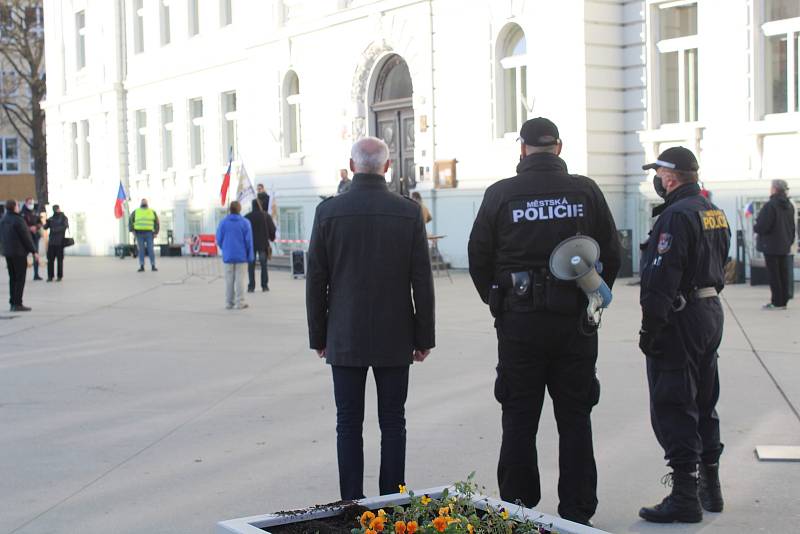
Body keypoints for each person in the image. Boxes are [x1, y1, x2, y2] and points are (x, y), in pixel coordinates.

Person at [467, 117, 621, 527]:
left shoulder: (501, 194)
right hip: (575, 325)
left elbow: (478, 258)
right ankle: (577, 515)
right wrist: (591, 295)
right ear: (559, 147)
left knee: (519, 418)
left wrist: (499, 304)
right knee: (575, 418)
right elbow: (613, 251)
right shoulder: (585, 191)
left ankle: (517, 513)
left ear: (522, 149)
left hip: (520, 327)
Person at [306, 137, 435, 500]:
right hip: (396, 335)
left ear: (351, 165)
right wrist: (423, 336)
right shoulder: (409, 212)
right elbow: (421, 280)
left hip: (344, 334)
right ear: (388, 167)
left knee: (348, 424)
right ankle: (391, 504)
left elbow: (316, 278)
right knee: (393, 422)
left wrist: (318, 335)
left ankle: (351, 504)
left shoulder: (328, 212)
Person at [638, 147, 730, 523]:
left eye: (658, 174)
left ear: (670, 178)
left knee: (674, 401)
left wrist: (651, 326)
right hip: (709, 312)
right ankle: (711, 486)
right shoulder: (713, 211)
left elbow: (662, 276)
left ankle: (684, 496)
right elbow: (723, 262)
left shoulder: (675, 217)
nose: (657, 181)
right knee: (705, 399)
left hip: (681, 316)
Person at [754, 179, 796, 310]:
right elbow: (792, 226)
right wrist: (789, 240)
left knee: (774, 275)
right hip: (784, 244)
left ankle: (776, 302)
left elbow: (762, 226)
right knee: (783, 273)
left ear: (774, 189)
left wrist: (756, 228)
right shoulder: (789, 205)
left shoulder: (770, 205)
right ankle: (783, 301)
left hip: (771, 245)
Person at [0, 199, 38, 311]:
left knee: (12, 278)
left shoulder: (3, 220)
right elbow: (26, 237)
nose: (18, 206)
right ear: (14, 207)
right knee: (20, 278)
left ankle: (12, 302)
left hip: (8, 253)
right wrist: (33, 251)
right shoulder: (18, 220)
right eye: (17, 205)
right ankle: (17, 303)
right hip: (19, 253)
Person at [216, 200, 254, 310]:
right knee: (240, 280)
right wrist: (250, 256)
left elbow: (218, 239)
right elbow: (249, 241)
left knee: (228, 280)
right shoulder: (245, 222)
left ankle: (229, 302)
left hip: (228, 256)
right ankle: (240, 302)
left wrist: (225, 248)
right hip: (241, 256)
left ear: (230, 210)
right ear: (239, 209)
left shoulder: (223, 222)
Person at [245, 198, 276, 292]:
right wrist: (272, 238)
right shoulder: (265, 216)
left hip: (251, 245)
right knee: (264, 265)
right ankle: (264, 286)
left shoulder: (247, 217)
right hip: (263, 244)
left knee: (251, 265)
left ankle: (251, 286)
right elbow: (272, 229)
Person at [128, 199, 159, 272]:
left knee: (150, 249)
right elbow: (130, 221)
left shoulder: (152, 212)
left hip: (149, 233)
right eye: (143, 201)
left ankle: (153, 265)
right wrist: (132, 231)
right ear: (141, 203)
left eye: (145, 202)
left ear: (147, 203)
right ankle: (142, 266)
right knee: (141, 250)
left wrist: (155, 233)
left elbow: (156, 223)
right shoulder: (136, 211)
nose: (144, 203)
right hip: (139, 233)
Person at [43, 205, 69, 282]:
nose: (56, 210)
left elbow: (65, 226)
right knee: (50, 260)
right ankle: (50, 276)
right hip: (51, 243)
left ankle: (59, 276)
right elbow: (45, 227)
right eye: (55, 209)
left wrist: (55, 229)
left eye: (57, 209)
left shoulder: (64, 218)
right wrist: (45, 222)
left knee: (60, 260)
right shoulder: (51, 218)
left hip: (60, 242)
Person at [20, 197, 43, 281]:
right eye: (29, 203)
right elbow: (21, 225)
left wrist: (36, 227)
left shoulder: (35, 212)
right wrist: (29, 228)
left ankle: (36, 274)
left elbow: (40, 223)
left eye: (32, 203)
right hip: (26, 237)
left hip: (35, 237)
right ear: (26, 203)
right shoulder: (22, 213)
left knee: (36, 255)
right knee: (23, 257)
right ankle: (22, 275)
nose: (31, 204)